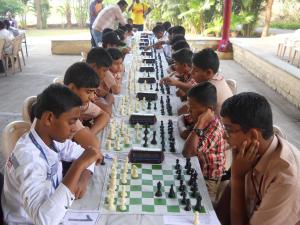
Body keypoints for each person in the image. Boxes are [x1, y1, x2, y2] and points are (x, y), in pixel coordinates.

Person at [1, 84, 102, 225]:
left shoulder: (52, 138)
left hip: (53, 208)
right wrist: (78, 166)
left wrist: (83, 179)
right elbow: (44, 220)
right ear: (49, 119)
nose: (75, 129)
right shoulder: (29, 159)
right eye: (71, 122)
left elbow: (89, 154)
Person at [216, 92, 300, 225]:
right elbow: (220, 215)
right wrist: (235, 176)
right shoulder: (250, 152)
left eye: (229, 130)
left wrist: (237, 178)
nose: (224, 137)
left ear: (254, 135)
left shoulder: (285, 179)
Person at [182, 82, 227, 202]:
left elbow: (187, 152)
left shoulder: (214, 128)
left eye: (192, 108)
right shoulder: (197, 113)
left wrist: (199, 124)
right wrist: (184, 130)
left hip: (208, 181)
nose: (189, 110)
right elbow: (181, 118)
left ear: (208, 110)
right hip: (196, 169)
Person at [63, 62, 110, 135]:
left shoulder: (81, 103)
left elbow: (105, 115)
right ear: (72, 88)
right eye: (88, 92)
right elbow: (93, 144)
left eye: (93, 92)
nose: (91, 97)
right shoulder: (65, 110)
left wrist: (90, 133)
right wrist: (88, 136)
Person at [86, 47, 117, 114]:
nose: (106, 75)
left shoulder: (93, 82)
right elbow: (108, 111)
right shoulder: (85, 86)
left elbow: (109, 95)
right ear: (93, 67)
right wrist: (107, 105)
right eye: (104, 70)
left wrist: (107, 104)